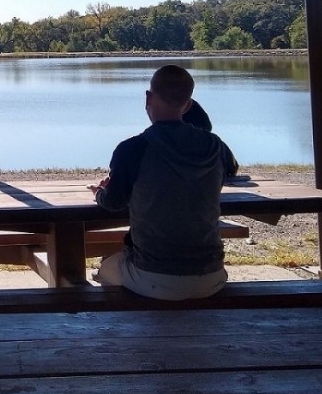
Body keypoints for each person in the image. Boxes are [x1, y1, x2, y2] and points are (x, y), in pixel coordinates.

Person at [90, 65, 239, 300]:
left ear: (148, 98)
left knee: (104, 270)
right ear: (189, 105)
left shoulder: (132, 148)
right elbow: (230, 170)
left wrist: (99, 192)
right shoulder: (215, 145)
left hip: (154, 276)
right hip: (213, 275)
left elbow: (113, 202)